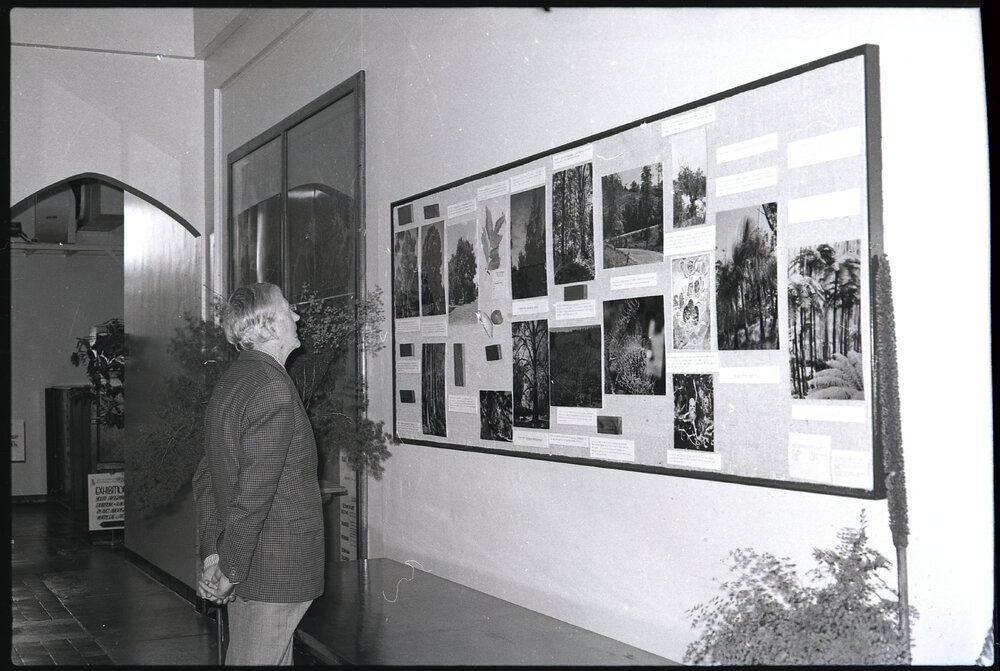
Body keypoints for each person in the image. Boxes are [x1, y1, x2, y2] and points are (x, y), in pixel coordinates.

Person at [192, 282, 324, 665]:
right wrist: (228, 567)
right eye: (288, 309)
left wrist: (215, 555)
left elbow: (209, 477)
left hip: (250, 565)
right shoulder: (272, 389)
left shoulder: (234, 381)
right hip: (271, 570)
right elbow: (251, 495)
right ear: (267, 325)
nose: (296, 316)